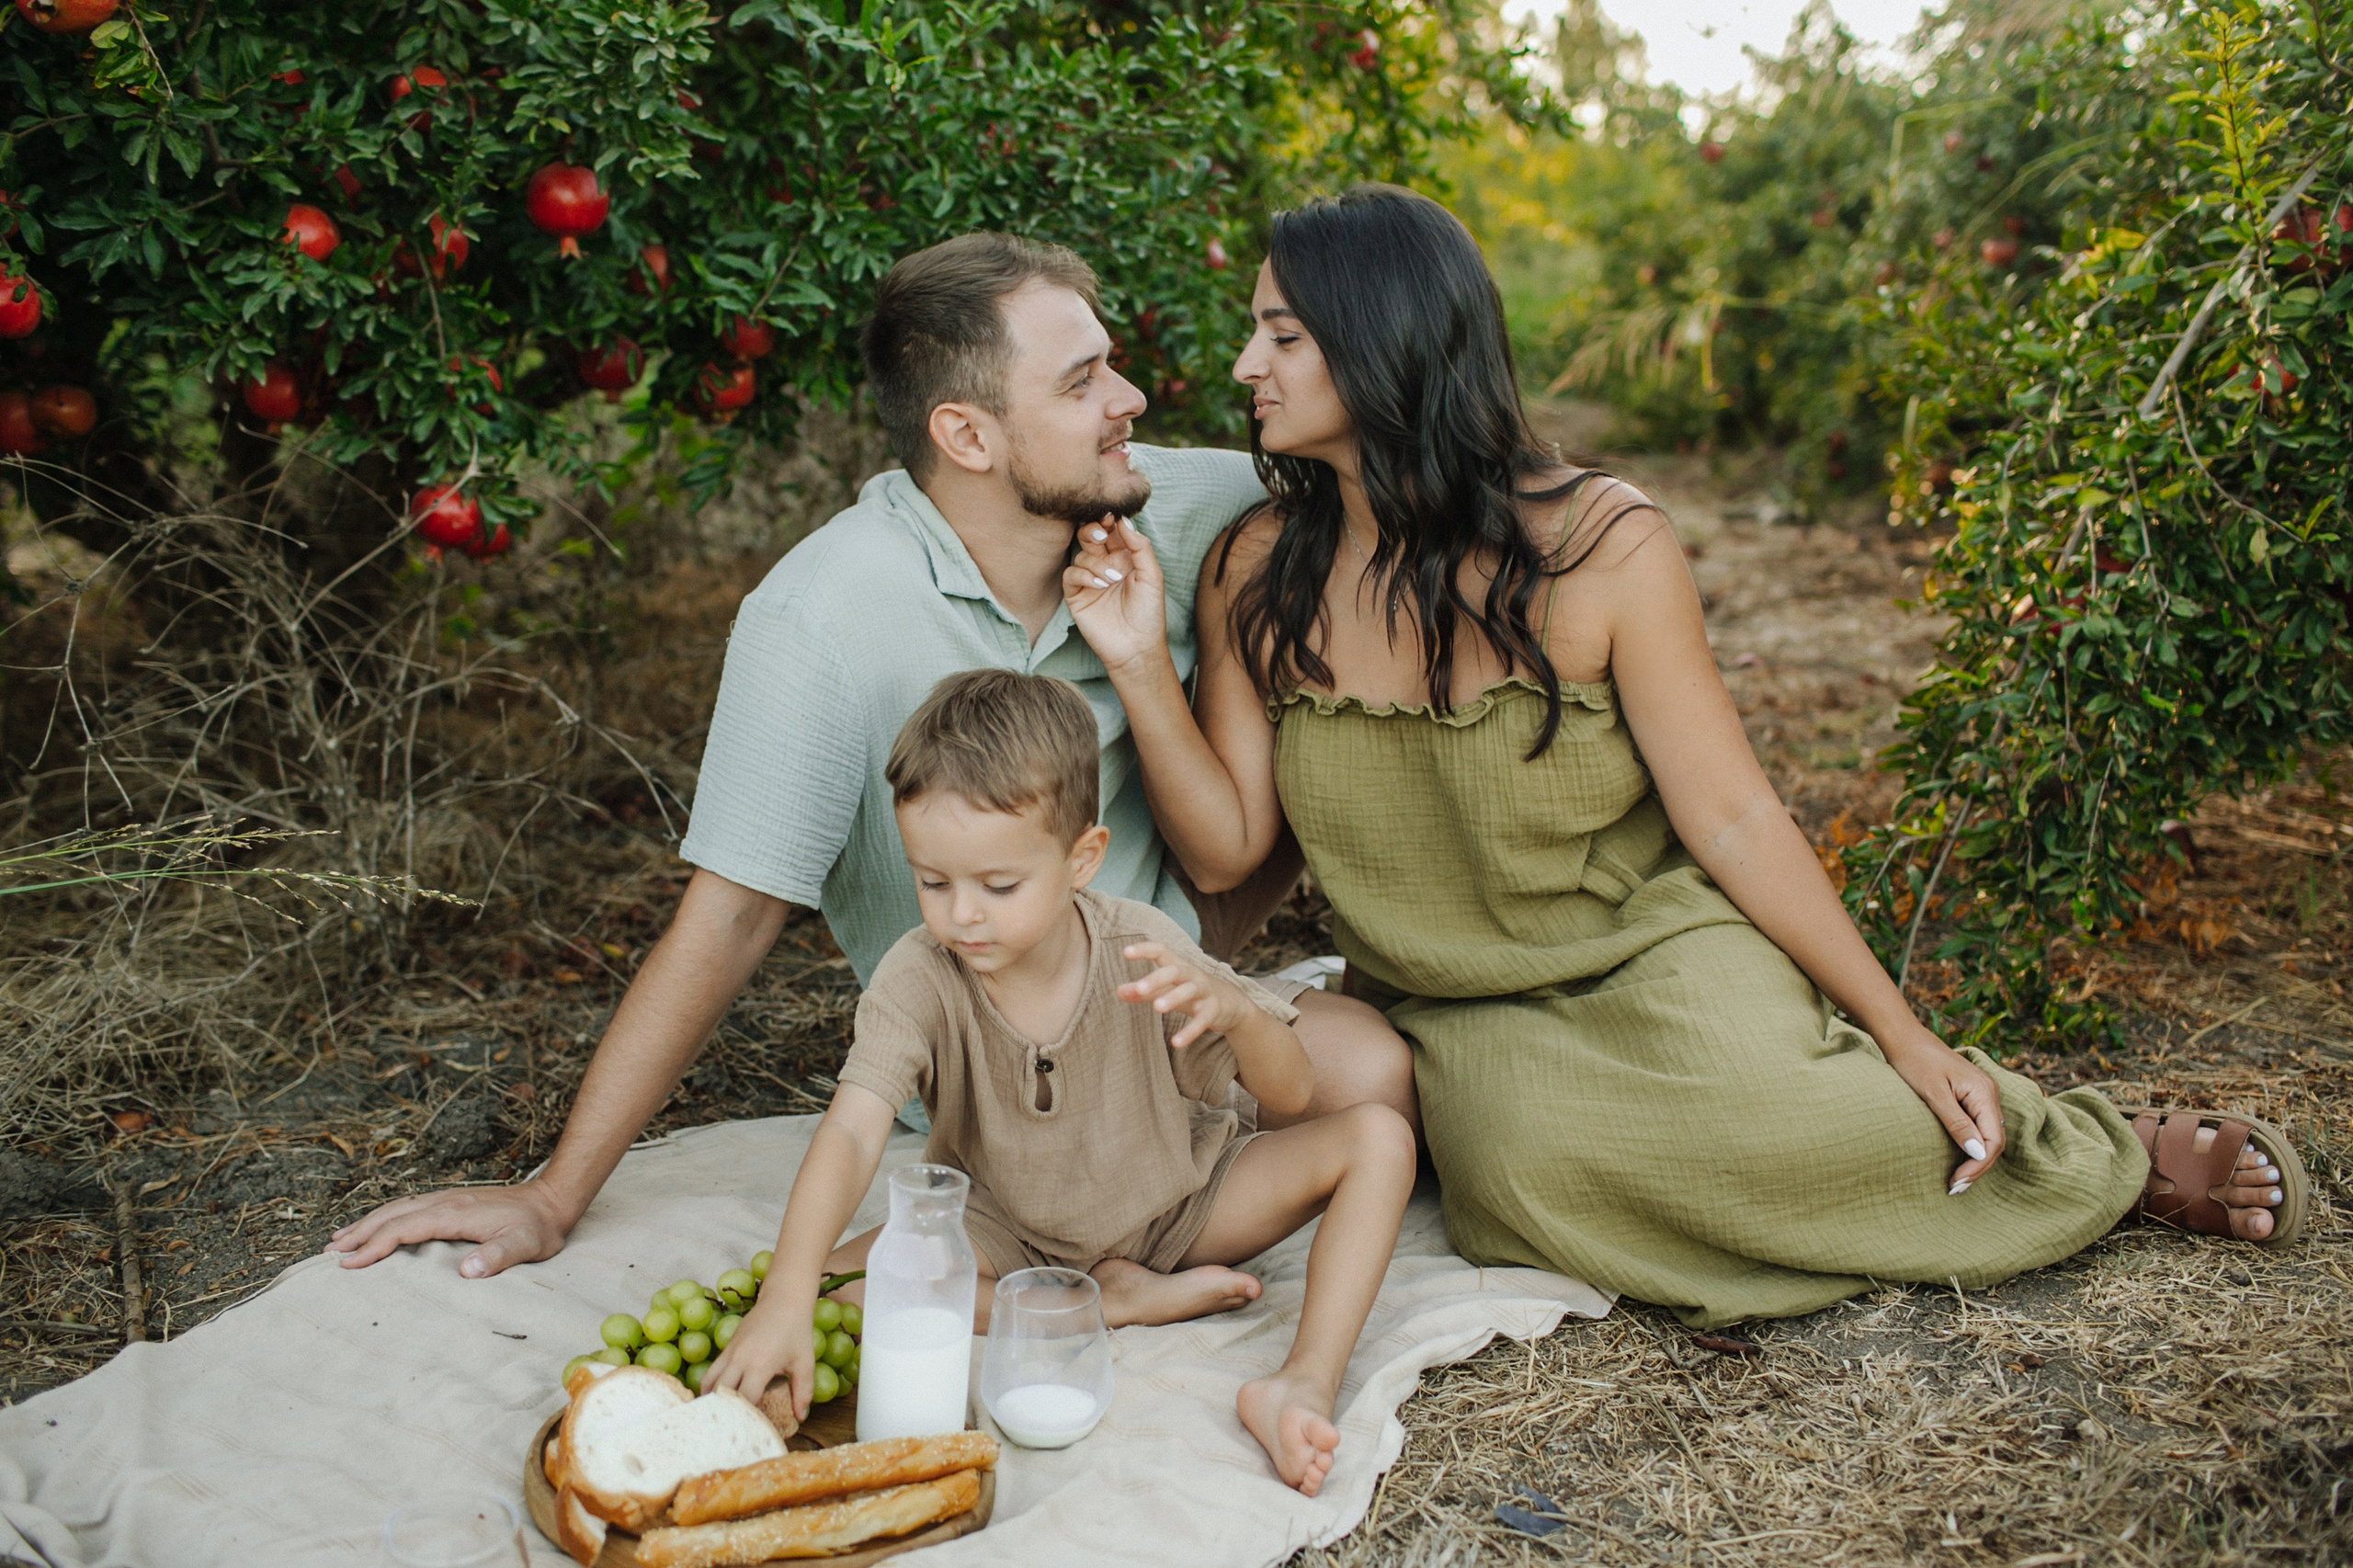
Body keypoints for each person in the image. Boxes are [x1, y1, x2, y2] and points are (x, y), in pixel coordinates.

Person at [1058, 183, 2309, 1331]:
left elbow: (1733, 819)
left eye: (1282, 335)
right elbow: (1228, 845)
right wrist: (1128, 658)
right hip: (1455, 1001)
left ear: (1383, 338)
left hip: (1656, 940)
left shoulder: (1600, 545)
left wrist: (1903, 1029)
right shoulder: (1257, 568)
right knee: (1524, 1180)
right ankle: (1869, 1174)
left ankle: (2093, 1152)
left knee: (1772, 1110)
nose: (1244, 366)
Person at [326, 233, 1415, 1280]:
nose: (1128, 399)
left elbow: (1400, 490)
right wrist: (557, 1193)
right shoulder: (819, 618)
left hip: (1165, 993)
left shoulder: (1182, 504)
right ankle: (1118, 1266)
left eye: (1111, 365)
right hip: (995, 1062)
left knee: (1377, 1074)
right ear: (969, 437)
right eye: (1083, 382)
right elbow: (730, 915)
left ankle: (1138, 1246)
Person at [703, 671, 1415, 1496]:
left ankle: (1303, 1381)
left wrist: (1243, 1017)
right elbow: (856, 1126)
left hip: (1184, 1204)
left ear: (1083, 858)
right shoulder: (919, 977)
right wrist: (788, 1296)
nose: (962, 914)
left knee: (1379, 1137)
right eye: (932, 881)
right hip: (1008, 1223)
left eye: (998, 886)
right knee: (830, 1286)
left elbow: (1290, 1098)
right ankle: (1108, 1305)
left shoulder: (1142, 948)